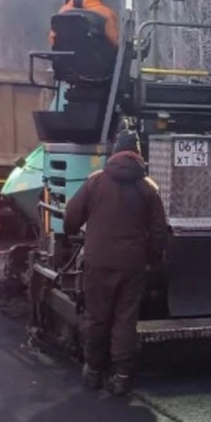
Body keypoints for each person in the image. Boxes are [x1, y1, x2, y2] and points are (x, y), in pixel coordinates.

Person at [63, 130, 168, 396]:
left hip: (98, 261)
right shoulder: (148, 188)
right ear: (138, 155)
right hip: (132, 264)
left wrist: (72, 233)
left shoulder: (95, 182)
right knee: (125, 319)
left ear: (114, 153)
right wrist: (152, 261)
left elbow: (71, 217)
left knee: (97, 317)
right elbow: (159, 232)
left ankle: (94, 373)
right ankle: (122, 377)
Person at [48, 0, 119, 49]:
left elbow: (53, 41)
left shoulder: (61, 14)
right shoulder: (107, 14)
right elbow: (117, 43)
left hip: (65, 61)